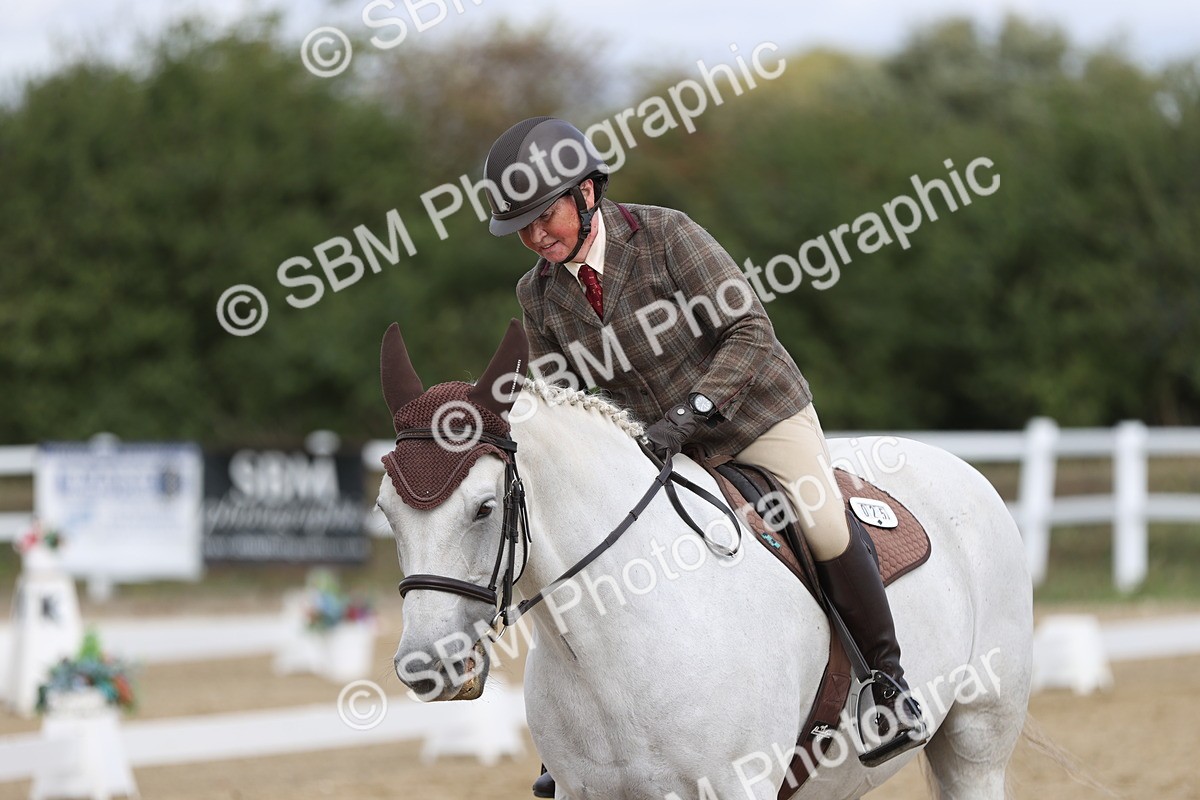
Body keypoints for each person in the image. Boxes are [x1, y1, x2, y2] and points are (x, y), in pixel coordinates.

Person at [483, 117, 929, 798]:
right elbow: (564, 400)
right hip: (651, 446)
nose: (539, 237)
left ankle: (886, 684)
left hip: (754, 415)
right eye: (524, 228)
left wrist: (689, 416)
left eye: (546, 216)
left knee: (823, 520)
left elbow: (748, 331)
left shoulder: (666, 236)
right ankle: (579, 738)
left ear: (588, 193)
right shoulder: (537, 294)